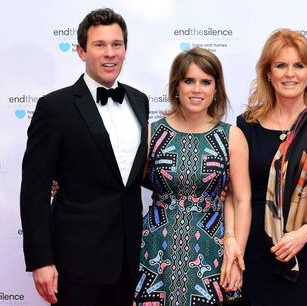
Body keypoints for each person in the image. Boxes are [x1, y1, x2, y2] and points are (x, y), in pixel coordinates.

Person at [20, 8, 149, 306]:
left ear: (125, 50)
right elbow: (34, 191)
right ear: (81, 51)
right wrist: (41, 260)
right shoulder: (55, 108)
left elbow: (132, 174)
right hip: (75, 262)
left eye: (116, 44)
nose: (109, 54)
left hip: (128, 261)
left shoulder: (139, 101)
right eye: (99, 45)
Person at [236, 29, 307, 306]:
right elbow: (236, 195)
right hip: (258, 249)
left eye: (299, 65)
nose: (290, 73)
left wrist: (303, 234)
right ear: (268, 73)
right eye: (281, 65)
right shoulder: (246, 125)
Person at [133, 47, 251, 306]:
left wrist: (235, 255)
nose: (197, 89)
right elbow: (124, 182)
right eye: (189, 81)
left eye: (206, 82)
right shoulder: (151, 133)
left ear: (216, 89)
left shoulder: (232, 137)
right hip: (155, 248)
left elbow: (242, 200)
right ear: (177, 86)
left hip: (211, 250)